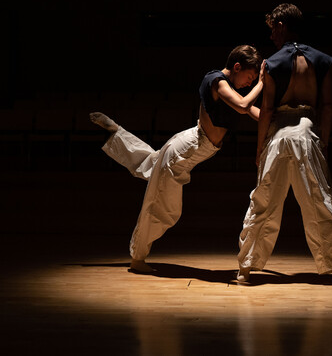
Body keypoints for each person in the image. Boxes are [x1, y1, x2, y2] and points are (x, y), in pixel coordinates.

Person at [90, 45, 265, 273]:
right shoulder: (217, 80)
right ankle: (137, 259)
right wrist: (263, 82)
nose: (250, 83)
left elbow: (252, 111)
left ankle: (117, 131)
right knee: (162, 207)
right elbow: (244, 106)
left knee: (153, 165)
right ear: (237, 67)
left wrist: (280, 122)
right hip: (187, 148)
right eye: (249, 77)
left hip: (187, 149)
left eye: (254, 80)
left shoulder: (230, 90)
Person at [236, 4, 332, 284]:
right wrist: (322, 143)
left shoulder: (273, 63)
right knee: (318, 201)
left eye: (272, 30)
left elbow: (266, 110)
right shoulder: (323, 60)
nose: (272, 37)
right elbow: (327, 106)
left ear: (280, 25)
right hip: (307, 132)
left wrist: (259, 148)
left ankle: (246, 269)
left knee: (264, 201)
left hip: (278, 134)